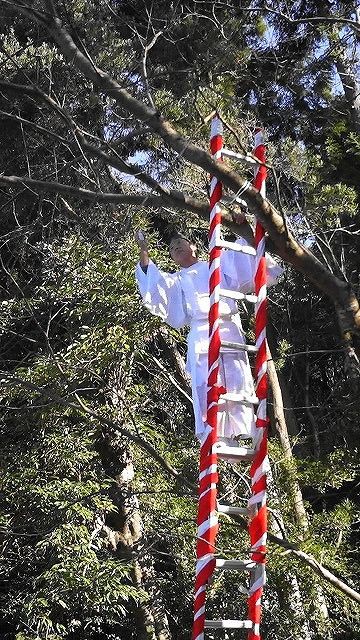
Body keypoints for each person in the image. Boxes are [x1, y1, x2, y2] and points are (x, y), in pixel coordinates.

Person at [135, 228, 282, 444]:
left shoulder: (215, 264)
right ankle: (218, 433)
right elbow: (153, 282)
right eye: (172, 249)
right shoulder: (175, 280)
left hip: (226, 324)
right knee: (205, 381)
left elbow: (242, 255)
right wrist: (144, 249)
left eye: (180, 244)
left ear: (193, 246)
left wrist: (245, 227)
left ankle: (242, 426)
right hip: (201, 330)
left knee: (235, 375)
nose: (176, 248)